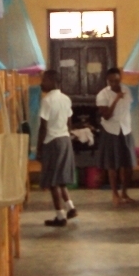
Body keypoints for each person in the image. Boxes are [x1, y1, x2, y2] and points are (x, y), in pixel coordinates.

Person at [36, 69, 77, 227]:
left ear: (53, 82)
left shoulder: (47, 101)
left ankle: (60, 216)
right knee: (60, 179)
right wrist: (66, 134)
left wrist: (39, 148)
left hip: (52, 142)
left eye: (44, 80)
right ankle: (70, 207)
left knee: (52, 181)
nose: (41, 83)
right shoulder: (66, 99)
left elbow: (43, 127)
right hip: (65, 140)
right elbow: (69, 121)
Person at [96, 67, 137, 205]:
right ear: (107, 81)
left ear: (120, 79)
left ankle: (124, 192)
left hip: (125, 129)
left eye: (117, 80)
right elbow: (107, 116)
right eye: (111, 81)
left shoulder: (127, 90)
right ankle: (115, 194)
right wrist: (116, 99)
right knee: (112, 164)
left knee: (128, 164)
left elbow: (128, 107)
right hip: (111, 130)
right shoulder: (102, 95)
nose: (114, 83)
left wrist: (121, 96)